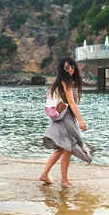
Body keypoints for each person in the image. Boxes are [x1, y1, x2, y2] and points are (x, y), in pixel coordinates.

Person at [39, 57, 95, 188]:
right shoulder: (66, 81)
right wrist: (81, 120)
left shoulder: (62, 82)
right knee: (67, 148)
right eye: (67, 67)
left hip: (64, 118)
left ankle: (46, 175)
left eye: (72, 66)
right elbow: (71, 103)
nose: (70, 69)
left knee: (63, 149)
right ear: (62, 69)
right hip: (66, 119)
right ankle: (63, 180)